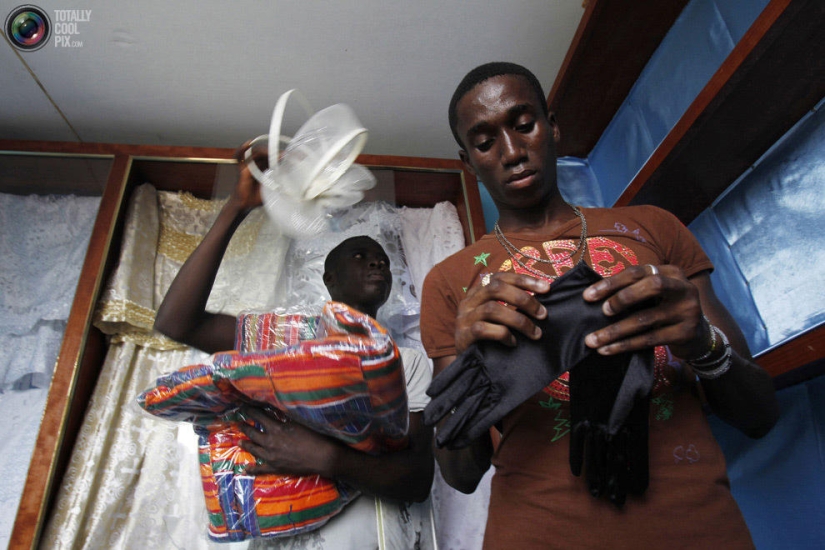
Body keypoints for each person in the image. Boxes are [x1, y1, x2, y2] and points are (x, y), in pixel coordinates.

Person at [420, 62, 779, 548]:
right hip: (537, 532)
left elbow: (759, 415)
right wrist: (469, 366)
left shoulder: (654, 226)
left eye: (524, 124)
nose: (511, 151)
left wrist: (700, 343)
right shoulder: (451, 282)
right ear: (469, 161)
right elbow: (461, 475)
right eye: (485, 142)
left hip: (696, 525)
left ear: (552, 126)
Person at [154, 145, 435, 549]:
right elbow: (176, 322)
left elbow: (417, 479)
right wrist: (237, 206)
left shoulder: (407, 364)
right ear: (330, 280)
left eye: (383, 261)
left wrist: (324, 458)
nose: (377, 264)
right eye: (361, 256)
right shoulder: (283, 345)